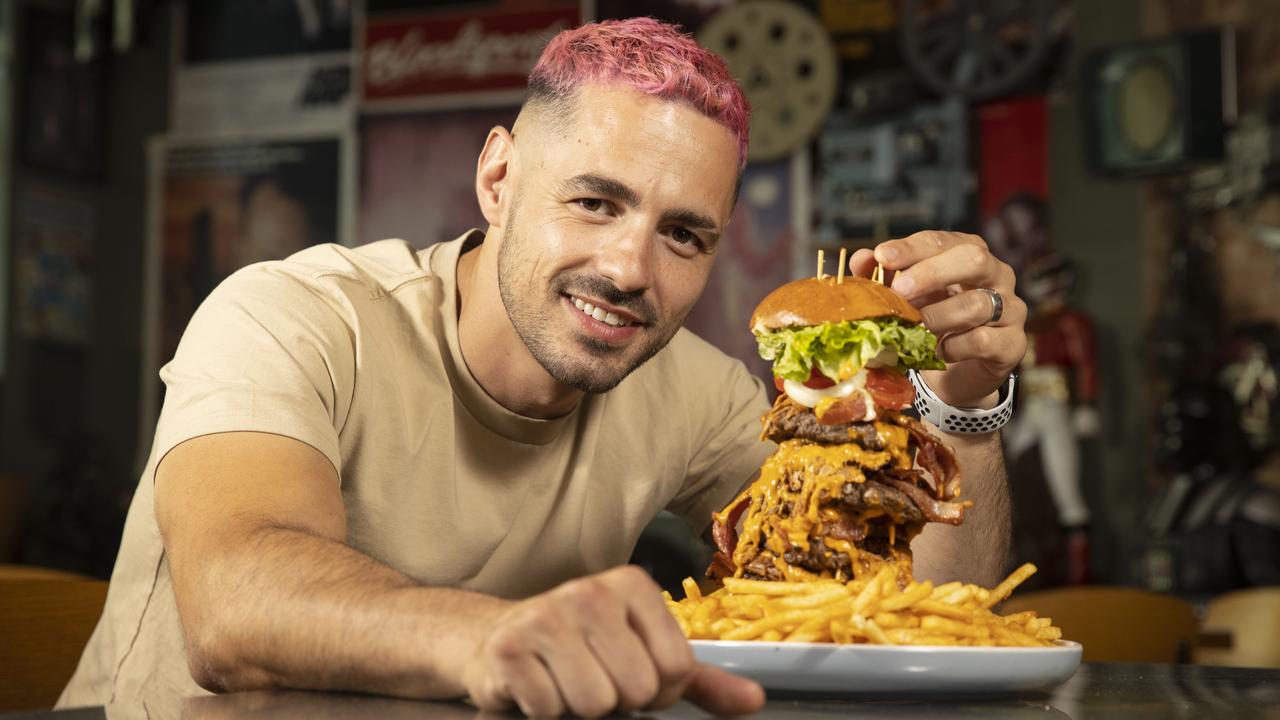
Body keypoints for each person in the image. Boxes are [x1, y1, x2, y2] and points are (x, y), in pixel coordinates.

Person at [58, 18, 1026, 718]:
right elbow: (234, 605)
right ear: (497, 178)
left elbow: (917, 608)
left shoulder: (693, 392)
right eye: (595, 202)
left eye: (683, 235)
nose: (628, 270)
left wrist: (964, 404)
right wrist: (489, 634)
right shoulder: (291, 315)